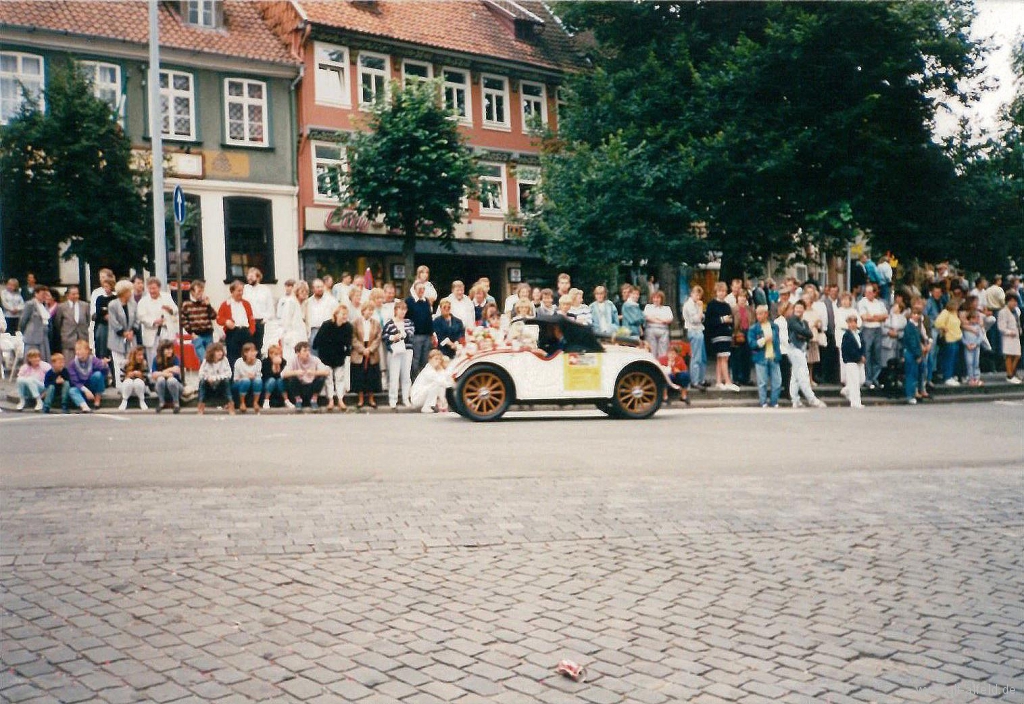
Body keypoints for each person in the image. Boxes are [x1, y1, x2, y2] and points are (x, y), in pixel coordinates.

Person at [786, 300, 826, 408]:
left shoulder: (804, 322)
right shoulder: (792, 320)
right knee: (803, 375)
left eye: (801, 308)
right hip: (795, 349)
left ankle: (795, 400)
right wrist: (803, 334)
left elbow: (809, 334)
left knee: (795, 376)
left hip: (802, 349)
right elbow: (801, 331)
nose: (798, 310)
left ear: (804, 309)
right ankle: (812, 399)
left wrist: (803, 334)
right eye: (797, 308)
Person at [315, 306, 353, 411]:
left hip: (339, 356)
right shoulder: (327, 325)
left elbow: (349, 342)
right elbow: (318, 341)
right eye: (342, 314)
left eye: (346, 314)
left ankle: (340, 399)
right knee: (329, 379)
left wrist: (346, 354)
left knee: (340, 378)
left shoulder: (348, 327)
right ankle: (330, 400)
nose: (345, 316)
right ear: (336, 314)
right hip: (326, 355)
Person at [136, 277, 178, 367]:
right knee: (152, 356)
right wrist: (154, 321)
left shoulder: (166, 297)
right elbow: (141, 317)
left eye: (154, 288)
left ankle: (168, 373)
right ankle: (153, 376)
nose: (152, 291)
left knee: (167, 354)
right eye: (150, 288)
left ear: (159, 288)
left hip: (165, 330)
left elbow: (175, 310)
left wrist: (170, 309)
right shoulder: (143, 301)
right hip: (151, 332)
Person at [706, 282, 738, 391]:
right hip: (717, 334)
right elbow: (709, 321)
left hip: (726, 333)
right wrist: (722, 320)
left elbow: (731, 319)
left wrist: (729, 322)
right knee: (724, 357)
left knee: (721, 358)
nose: (722, 293)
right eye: (719, 291)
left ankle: (719, 381)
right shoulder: (712, 305)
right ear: (716, 292)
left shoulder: (726, 305)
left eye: (723, 291)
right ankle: (728, 381)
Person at [382, 299, 415, 408]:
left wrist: (402, 335)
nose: (402, 312)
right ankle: (393, 399)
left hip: (407, 351)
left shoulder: (409, 322)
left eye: (404, 310)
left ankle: (406, 398)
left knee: (406, 376)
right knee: (394, 376)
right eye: (400, 309)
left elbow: (411, 334)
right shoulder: (389, 323)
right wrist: (392, 337)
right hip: (394, 352)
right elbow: (384, 336)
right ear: (395, 310)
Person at [748, 305, 782, 408]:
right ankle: (763, 402)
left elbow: (777, 342)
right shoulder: (753, 328)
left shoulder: (774, 326)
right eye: (757, 314)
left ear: (766, 314)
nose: (758, 316)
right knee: (762, 382)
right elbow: (752, 344)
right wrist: (763, 340)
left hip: (773, 356)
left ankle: (774, 401)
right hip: (761, 358)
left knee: (777, 381)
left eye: (760, 313)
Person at [217, 280, 256, 368]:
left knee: (248, 355)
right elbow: (219, 319)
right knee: (233, 357)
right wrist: (226, 321)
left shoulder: (246, 304)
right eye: (238, 291)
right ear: (232, 291)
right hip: (233, 332)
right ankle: (234, 377)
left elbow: (251, 318)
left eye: (242, 290)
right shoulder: (226, 304)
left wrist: (251, 331)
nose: (241, 293)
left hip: (246, 332)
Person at [351, 302, 382, 409]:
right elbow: (353, 338)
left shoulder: (376, 323)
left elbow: (378, 338)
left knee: (371, 376)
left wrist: (370, 349)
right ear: (363, 310)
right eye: (368, 309)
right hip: (360, 351)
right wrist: (362, 349)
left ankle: (371, 399)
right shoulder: (355, 322)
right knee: (360, 376)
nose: (370, 312)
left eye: (371, 310)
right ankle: (360, 399)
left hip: (371, 350)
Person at [106, 280, 137, 390]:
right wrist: (123, 333)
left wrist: (132, 331)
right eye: (130, 290)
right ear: (124, 292)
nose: (131, 292)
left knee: (130, 361)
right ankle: (120, 387)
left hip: (131, 338)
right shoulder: (112, 305)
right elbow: (113, 322)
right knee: (118, 363)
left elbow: (136, 320)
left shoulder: (133, 304)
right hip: (117, 338)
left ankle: (131, 386)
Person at [282, 341, 329, 411]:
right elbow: (283, 374)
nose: (308, 353)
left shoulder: (314, 359)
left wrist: (314, 372)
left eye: (308, 350)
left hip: (311, 387)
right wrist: (295, 372)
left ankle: (314, 400)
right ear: (298, 353)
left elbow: (326, 372)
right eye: (304, 351)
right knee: (291, 377)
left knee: (321, 377)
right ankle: (298, 400)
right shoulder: (293, 360)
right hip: (299, 387)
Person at [857, 284, 888, 389]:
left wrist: (874, 317)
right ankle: (868, 379)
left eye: (871, 292)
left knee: (877, 354)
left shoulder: (880, 303)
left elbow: (885, 316)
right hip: (867, 329)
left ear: (875, 293)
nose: (869, 294)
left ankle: (875, 378)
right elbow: (865, 317)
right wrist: (877, 317)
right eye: (867, 292)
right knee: (868, 354)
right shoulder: (862, 303)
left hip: (878, 330)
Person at [181, 279, 217, 363]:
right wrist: (191, 333)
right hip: (197, 335)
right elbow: (183, 321)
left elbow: (214, 316)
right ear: (192, 292)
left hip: (208, 333)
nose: (201, 294)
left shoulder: (205, 302)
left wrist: (208, 305)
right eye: (199, 291)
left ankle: (207, 376)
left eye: (202, 291)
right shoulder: (186, 304)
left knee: (211, 358)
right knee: (204, 359)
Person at [52, 285, 92, 360]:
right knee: (68, 363)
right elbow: (58, 323)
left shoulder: (85, 306)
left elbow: (88, 321)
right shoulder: (62, 307)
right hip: (68, 339)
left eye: (77, 294)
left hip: (82, 338)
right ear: (68, 295)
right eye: (73, 294)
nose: (76, 296)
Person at [68, 339, 108, 410]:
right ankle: (84, 406)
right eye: (77, 350)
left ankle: (97, 400)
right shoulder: (72, 364)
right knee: (72, 391)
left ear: (87, 351)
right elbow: (74, 381)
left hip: (92, 386)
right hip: (81, 387)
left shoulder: (93, 360)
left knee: (98, 375)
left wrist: (104, 365)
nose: (78, 352)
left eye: (80, 349)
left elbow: (104, 372)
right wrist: (86, 390)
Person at [405, 281, 434, 378]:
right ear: (414, 289)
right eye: (419, 289)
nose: (422, 291)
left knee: (425, 360)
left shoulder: (426, 301)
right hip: (415, 336)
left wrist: (432, 334)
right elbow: (406, 318)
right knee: (415, 360)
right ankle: (414, 380)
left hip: (427, 336)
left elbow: (429, 318)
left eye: (423, 289)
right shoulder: (409, 301)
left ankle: (423, 380)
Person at [242, 268, 274, 355]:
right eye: (248, 276)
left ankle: (258, 366)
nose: (250, 278)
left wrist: (265, 320)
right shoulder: (244, 289)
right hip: (247, 322)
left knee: (258, 347)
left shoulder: (265, 290)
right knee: (246, 346)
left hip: (259, 322)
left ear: (258, 277)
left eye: (252, 276)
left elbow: (270, 307)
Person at [409, 349, 452, 413]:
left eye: (439, 359)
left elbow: (445, 379)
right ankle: (427, 406)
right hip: (417, 398)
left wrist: (442, 370)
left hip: (423, 395)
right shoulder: (428, 371)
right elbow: (443, 382)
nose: (438, 361)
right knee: (437, 384)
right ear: (430, 360)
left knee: (438, 384)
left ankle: (441, 404)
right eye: (436, 359)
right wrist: (454, 385)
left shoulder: (436, 370)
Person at [196, 342, 234, 415]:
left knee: (226, 382)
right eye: (217, 351)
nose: (220, 353)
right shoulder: (206, 360)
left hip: (220, 384)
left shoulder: (224, 360)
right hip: (209, 385)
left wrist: (216, 378)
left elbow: (229, 374)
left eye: (221, 351)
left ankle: (230, 405)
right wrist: (207, 378)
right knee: (202, 382)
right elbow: (201, 374)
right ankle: (201, 405)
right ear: (212, 352)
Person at [934, 299, 963, 386]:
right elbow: (937, 323)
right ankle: (947, 376)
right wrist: (944, 328)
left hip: (957, 338)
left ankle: (952, 375)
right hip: (949, 339)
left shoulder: (954, 313)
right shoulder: (945, 312)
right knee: (949, 359)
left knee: (954, 359)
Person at [682, 286, 706, 388]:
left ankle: (701, 379)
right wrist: (700, 309)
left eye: (699, 295)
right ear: (691, 294)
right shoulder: (689, 305)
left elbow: (703, 318)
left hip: (700, 330)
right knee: (696, 357)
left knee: (703, 357)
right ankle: (695, 381)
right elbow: (696, 319)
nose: (698, 297)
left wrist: (701, 313)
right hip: (694, 331)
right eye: (696, 294)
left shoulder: (696, 304)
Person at [19, 285, 51, 359]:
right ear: (36, 294)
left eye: (46, 294)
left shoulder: (45, 305)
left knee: (44, 358)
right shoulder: (30, 304)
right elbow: (23, 321)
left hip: (44, 337)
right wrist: (25, 332)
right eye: (43, 294)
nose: (44, 296)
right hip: (32, 338)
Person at [305, 279, 338, 352]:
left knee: (326, 357)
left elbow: (337, 316)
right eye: (317, 287)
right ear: (312, 289)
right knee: (314, 357)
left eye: (321, 287)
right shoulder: (308, 302)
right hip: (313, 332)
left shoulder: (332, 301)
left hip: (328, 332)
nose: (320, 289)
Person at [151, 340, 183, 413]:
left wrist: (162, 372)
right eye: (168, 349)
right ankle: (161, 402)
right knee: (160, 379)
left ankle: (176, 403)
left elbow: (176, 370)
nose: (170, 351)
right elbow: (154, 375)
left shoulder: (175, 358)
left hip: (176, 387)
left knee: (171, 380)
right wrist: (166, 373)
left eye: (171, 349)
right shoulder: (156, 359)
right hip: (161, 387)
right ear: (162, 350)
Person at [232, 342, 264, 413]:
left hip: (253, 381)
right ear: (245, 353)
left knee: (258, 381)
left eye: (254, 351)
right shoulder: (239, 361)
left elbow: (258, 375)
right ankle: (242, 403)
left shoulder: (258, 362)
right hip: (239, 382)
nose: (254, 353)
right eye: (251, 351)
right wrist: (246, 376)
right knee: (246, 381)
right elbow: (236, 378)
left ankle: (255, 402)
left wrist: (253, 376)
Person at [730, 290, 753, 386]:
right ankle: (736, 378)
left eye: (744, 297)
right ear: (737, 298)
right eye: (740, 296)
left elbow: (753, 321)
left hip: (748, 332)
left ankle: (746, 378)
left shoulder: (750, 309)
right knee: (736, 356)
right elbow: (731, 323)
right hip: (737, 333)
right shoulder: (733, 309)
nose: (742, 299)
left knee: (747, 357)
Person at [841, 314, 865, 408]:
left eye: (854, 322)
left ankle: (847, 390)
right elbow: (849, 349)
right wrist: (858, 357)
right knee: (854, 381)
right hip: (851, 361)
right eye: (850, 322)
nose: (852, 324)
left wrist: (863, 356)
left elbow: (863, 346)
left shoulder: (859, 334)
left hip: (859, 360)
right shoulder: (846, 336)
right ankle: (855, 401)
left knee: (861, 380)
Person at [902, 309, 926, 404]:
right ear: (911, 315)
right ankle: (910, 395)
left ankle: (915, 393)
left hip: (915, 353)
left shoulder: (916, 326)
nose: (916, 316)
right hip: (911, 354)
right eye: (914, 314)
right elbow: (912, 343)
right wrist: (918, 355)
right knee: (911, 375)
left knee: (916, 374)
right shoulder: (909, 327)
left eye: (918, 314)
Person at [643, 290, 673, 360]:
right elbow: (647, 317)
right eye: (654, 298)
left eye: (658, 298)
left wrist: (656, 318)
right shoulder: (648, 307)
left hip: (663, 330)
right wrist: (662, 320)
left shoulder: (666, 308)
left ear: (661, 299)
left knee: (663, 351)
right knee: (652, 350)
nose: (656, 300)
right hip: (651, 329)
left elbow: (669, 319)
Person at [997, 295, 1021, 383]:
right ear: (1007, 301)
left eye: (1015, 301)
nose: (1014, 303)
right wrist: (1009, 332)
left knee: (1017, 355)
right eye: (1012, 301)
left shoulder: (1016, 311)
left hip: (1016, 336)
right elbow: (1001, 326)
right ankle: (1009, 375)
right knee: (1009, 355)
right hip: (1008, 336)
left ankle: (1012, 372)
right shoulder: (1003, 312)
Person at [92, 277, 116, 362]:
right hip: (103, 324)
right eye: (104, 286)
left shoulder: (115, 298)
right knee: (102, 347)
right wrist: (105, 314)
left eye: (108, 286)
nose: (106, 289)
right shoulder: (100, 298)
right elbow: (99, 311)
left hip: (113, 326)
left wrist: (107, 312)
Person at [119, 345, 149, 411]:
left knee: (137, 381)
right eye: (139, 355)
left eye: (142, 355)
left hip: (140, 389)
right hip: (127, 388)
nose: (141, 357)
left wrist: (141, 376)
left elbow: (147, 381)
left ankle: (142, 400)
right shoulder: (125, 363)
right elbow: (121, 379)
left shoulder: (144, 363)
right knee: (129, 381)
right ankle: (124, 400)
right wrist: (128, 376)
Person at [260, 344, 291, 409]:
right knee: (272, 380)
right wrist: (274, 365)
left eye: (278, 354)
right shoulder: (265, 361)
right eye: (275, 354)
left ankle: (286, 400)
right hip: (268, 382)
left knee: (280, 380)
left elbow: (282, 375)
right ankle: (266, 401)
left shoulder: (283, 361)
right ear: (270, 354)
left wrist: (278, 365)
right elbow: (266, 375)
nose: (277, 355)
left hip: (280, 382)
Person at [961, 305, 984, 387]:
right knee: (969, 362)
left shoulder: (978, 327)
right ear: (969, 319)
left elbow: (981, 337)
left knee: (976, 362)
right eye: (973, 318)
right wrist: (966, 344)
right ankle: (970, 378)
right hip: (968, 347)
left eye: (977, 318)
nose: (975, 320)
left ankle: (976, 377)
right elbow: (962, 337)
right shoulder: (965, 328)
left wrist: (976, 344)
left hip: (976, 347)